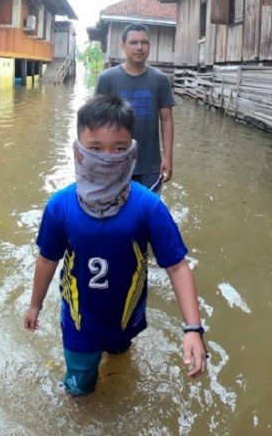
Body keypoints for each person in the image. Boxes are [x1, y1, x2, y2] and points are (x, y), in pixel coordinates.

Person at [23, 94, 207, 397]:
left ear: (132, 150)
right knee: (79, 388)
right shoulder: (61, 206)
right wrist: (34, 304)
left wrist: (193, 329)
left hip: (127, 315)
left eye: (118, 149)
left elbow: (176, 265)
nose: (107, 158)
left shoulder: (148, 207)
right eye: (95, 149)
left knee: (121, 360)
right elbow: (47, 259)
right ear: (78, 148)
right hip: (79, 322)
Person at [94, 23, 176, 193]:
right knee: (116, 215)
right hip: (115, 164)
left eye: (144, 42)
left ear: (150, 46)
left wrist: (168, 157)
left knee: (147, 215)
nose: (140, 47)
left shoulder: (160, 79)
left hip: (151, 167)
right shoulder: (107, 79)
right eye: (133, 42)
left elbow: (166, 120)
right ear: (123, 45)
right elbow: (97, 122)